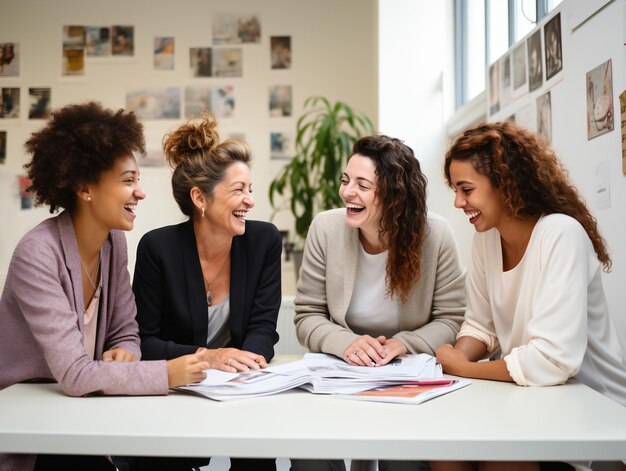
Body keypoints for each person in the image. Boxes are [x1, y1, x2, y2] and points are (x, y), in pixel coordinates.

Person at [0, 102, 209, 471]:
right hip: (30, 418)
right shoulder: (37, 254)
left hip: (80, 410)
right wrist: (168, 373)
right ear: (85, 188)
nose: (139, 193)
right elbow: (76, 373)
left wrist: (125, 349)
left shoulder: (114, 243)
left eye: (138, 181)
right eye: (128, 181)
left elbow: (126, 329)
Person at [434, 121, 626, 471]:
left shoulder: (561, 235)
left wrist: (463, 367)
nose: (459, 202)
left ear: (504, 184)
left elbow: (552, 360)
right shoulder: (486, 240)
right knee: (443, 446)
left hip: (595, 412)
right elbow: (480, 325)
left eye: (466, 189)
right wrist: (454, 361)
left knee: (500, 460)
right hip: (532, 399)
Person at [292, 134, 466, 471]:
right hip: (340, 374)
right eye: (345, 181)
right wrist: (349, 343)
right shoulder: (325, 229)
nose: (347, 192)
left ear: (394, 194)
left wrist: (404, 344)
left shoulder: (436, 235)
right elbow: (307, 315)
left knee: (403, 465)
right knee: (308, 462)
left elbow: (450, 319)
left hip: (406, 377)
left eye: (362, 184)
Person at [132, 112, 281, 471]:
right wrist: (207, 357)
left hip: (242, 390)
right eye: (238, 190)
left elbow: (263, 328)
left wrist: (245, 366)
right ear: (200, 197)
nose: (250, 201)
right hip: (176, 393)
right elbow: (143, 341)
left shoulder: (263, 241)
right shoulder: (157, 248)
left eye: (250, 189)